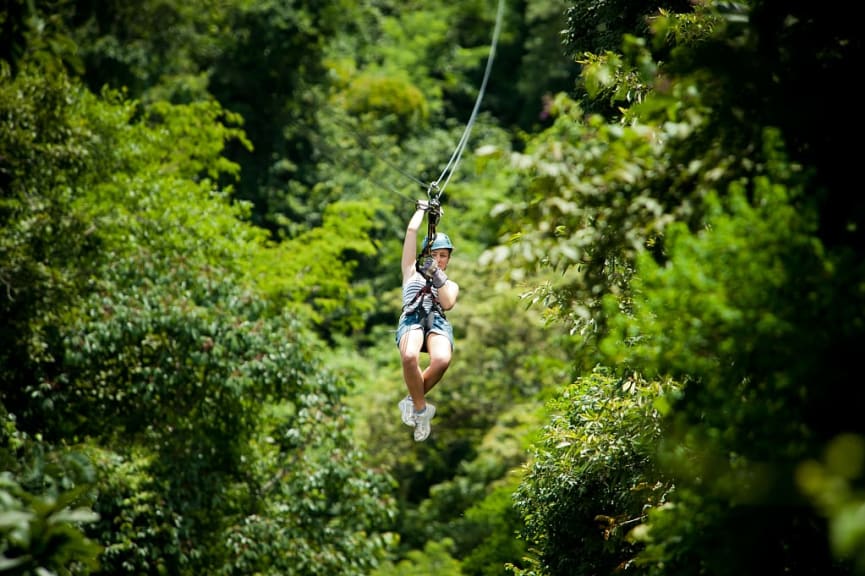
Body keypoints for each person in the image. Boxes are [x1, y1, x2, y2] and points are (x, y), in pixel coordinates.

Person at [395, 199, 460, 441]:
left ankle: (412, 400)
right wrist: (421, 211)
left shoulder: (450, 283)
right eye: (435, 255)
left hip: (436, 321)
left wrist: (438, 276)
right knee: (410, 356)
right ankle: (421, 410)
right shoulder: (411, 272)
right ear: (426, 255)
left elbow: (448, 303)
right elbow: (412, 232)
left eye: (444, 256)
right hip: (413, 318)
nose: (439, 259)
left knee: (442, 359)